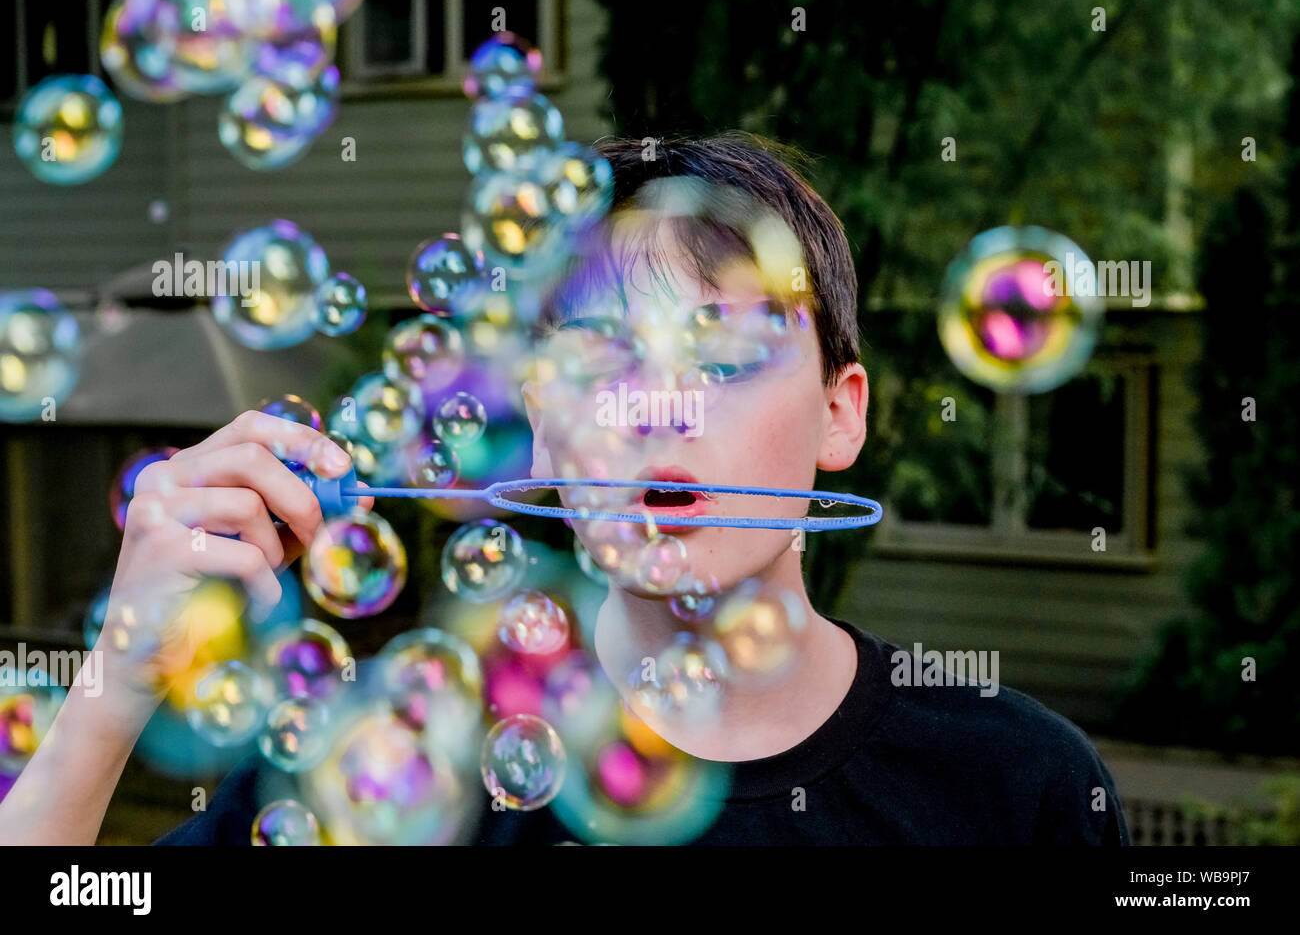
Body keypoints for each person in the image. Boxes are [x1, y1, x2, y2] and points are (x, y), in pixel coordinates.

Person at [0, 132, 1129, 846]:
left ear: (842, 412)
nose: (659, 410)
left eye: (725, 352)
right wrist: (118, 679)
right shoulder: (395, 761)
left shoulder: (1016, 788)